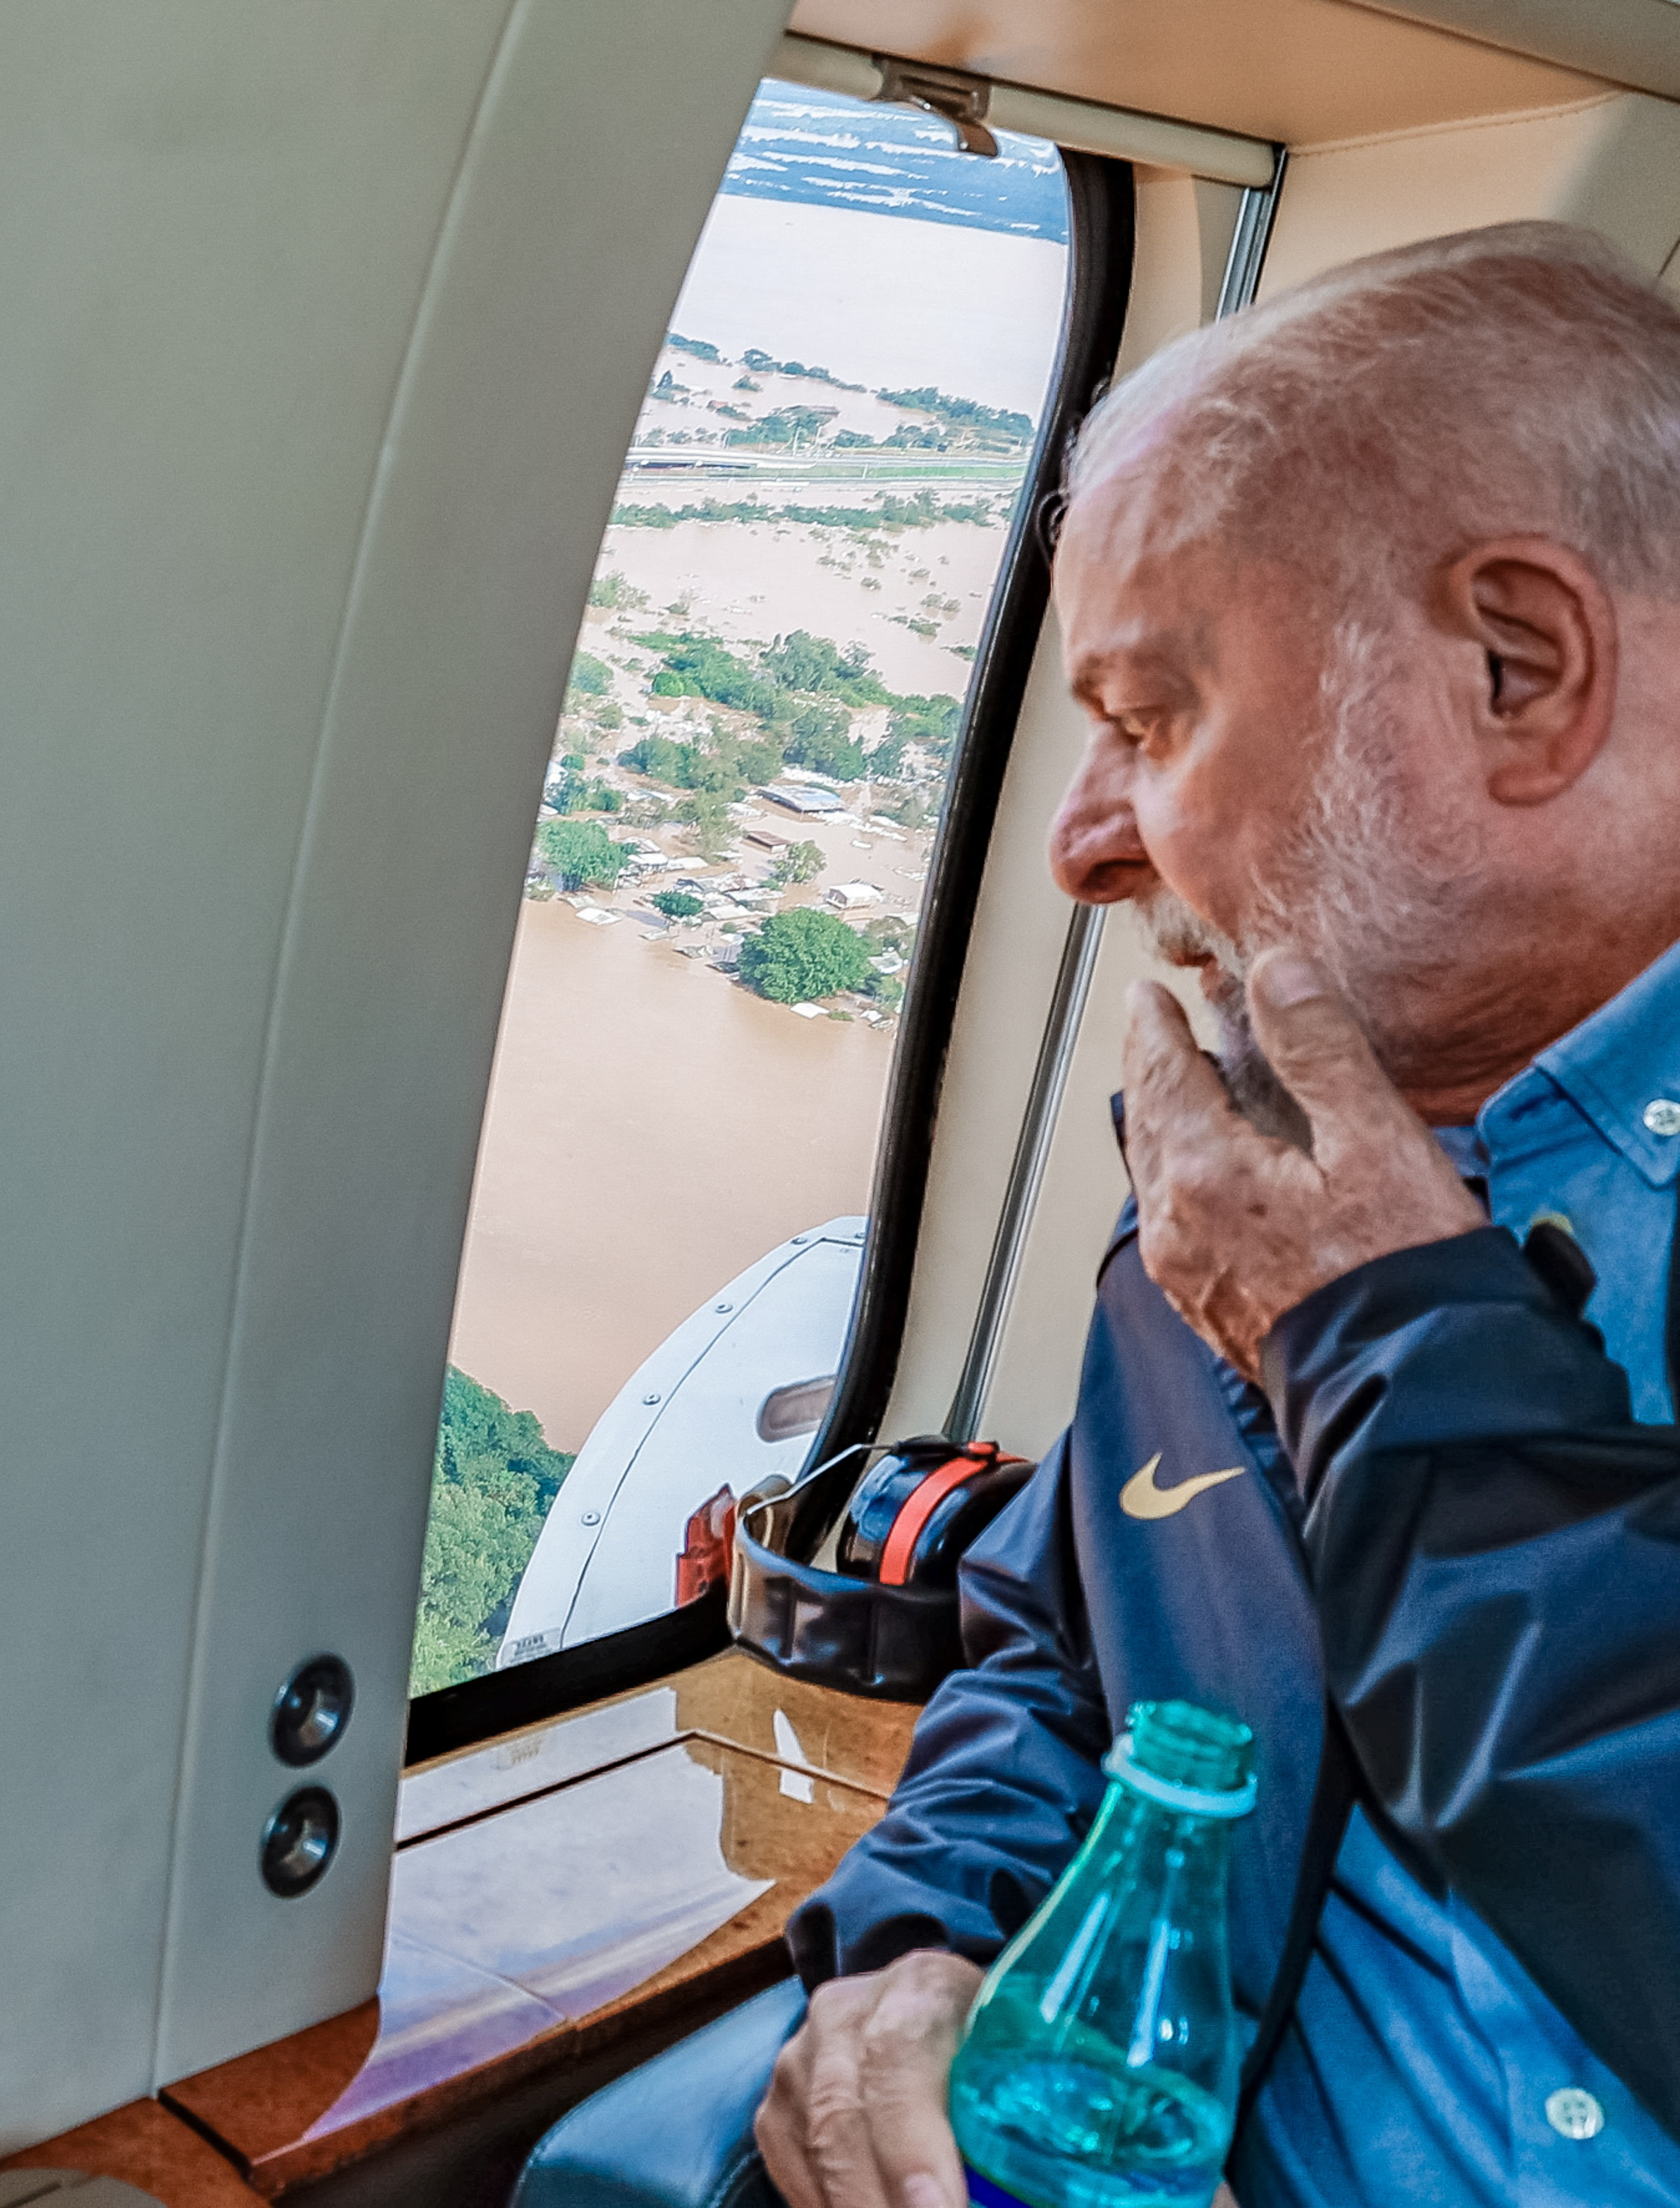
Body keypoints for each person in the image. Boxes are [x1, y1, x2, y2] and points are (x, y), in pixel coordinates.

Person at [753, 221, 1680, 2208]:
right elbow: (1070, 1653)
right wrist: (930, 1937)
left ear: (1519, 670)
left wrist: (1388, 1337)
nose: (1088, 840)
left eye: (1150, 714)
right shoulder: (1251, 1192)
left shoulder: (1314, 1255)